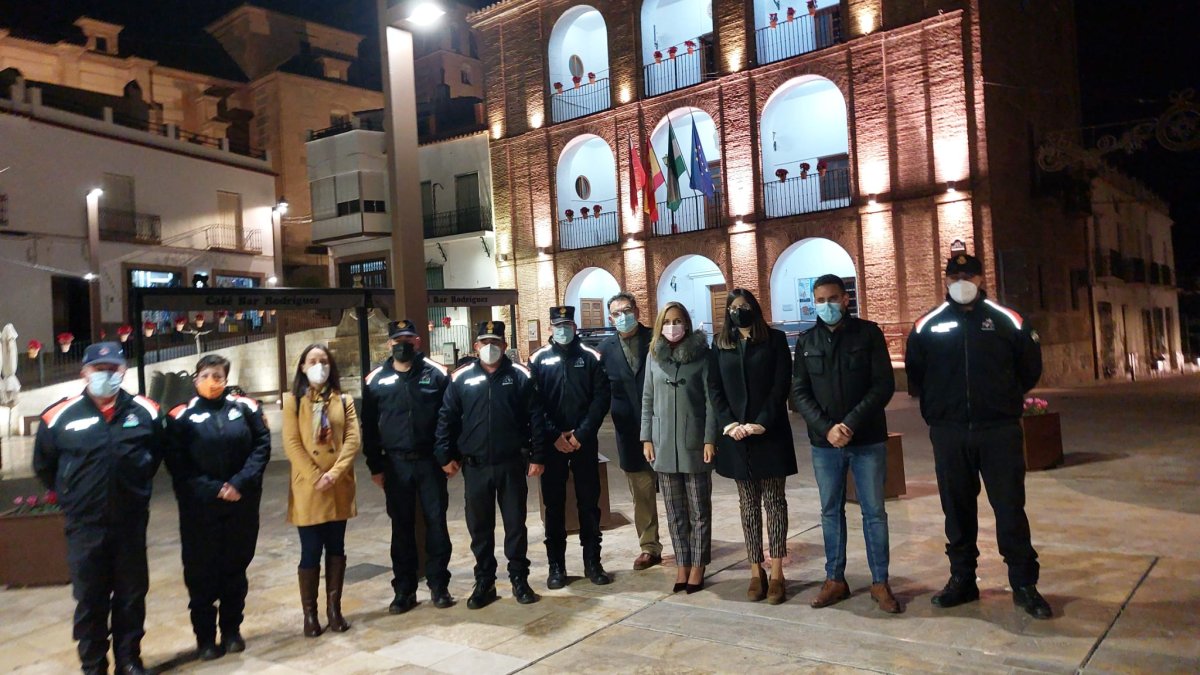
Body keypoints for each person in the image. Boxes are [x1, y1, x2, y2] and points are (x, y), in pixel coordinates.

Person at [905, 253, 1051, 619]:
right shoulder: (927, 325)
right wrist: (938, 412)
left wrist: (1002, 399)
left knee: (1009, 509)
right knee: (956, 510)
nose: (962, 280)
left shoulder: (1008, 320)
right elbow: (916, 374)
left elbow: (1029, 367)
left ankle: (1024, 584)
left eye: (969, 274)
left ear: (982, 278)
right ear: (945, 281)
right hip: (950, 433)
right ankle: (962, 580)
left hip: (998, 431)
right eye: (955, 275)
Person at [32, 342, 162, 675]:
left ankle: (129, 659)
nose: (107, 375)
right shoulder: (59, 415)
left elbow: (155, 455)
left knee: (131, 596)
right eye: (99, 369)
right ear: (85, 373)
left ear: (123, 371)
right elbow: (44, 465)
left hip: (130, 523)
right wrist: (72, 495)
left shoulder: (145, 410)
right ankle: (93, 665)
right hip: (85, 526)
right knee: (90, 600)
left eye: (113, 369)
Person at [790, 275, 901, 613]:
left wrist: (849, 424)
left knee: (874, 513)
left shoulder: (868, 334)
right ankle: (834, 579)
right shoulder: (806, 341)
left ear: (846, 299)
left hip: (866, 439)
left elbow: (882, 385)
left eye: (833, 298)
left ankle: (880, 581)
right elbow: (799, 392)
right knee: (830, 512)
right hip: (825, 446)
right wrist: (827, 429)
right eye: (820, 300)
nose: (827, 305)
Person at [164, 354, 272, 659]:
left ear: (226, 379)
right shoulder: (180, 415)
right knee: (201, 574)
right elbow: (177, 463)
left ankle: (232, 630)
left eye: (219, 376)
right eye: (207, 375)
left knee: (235, 569)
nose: (213, 381)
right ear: (196, 378)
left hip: (241, 505)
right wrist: (214, 489)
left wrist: (239, 483)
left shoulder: (244, 408)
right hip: (200, 510)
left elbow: (262, 445)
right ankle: (205, 639)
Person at [435, 320, 547, 609]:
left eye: (496, 342)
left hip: (511, 465)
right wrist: (444, 456)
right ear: (475, 346)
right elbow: (447, 418)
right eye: (485, 342)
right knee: (480, 528)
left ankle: (519, 579)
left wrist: (538, 456)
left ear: (505, 346)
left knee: (515, 526)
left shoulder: (520, 376)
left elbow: (535, 418)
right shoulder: (460, 379)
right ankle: (484, 581)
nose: (490, 347)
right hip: (475, 467)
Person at [709, 288, 797, 605]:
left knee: (774, 503)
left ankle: (776, 572)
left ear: (755, 309)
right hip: (737, 438)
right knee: (748, 505)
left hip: (769, 434)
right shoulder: (720, 345)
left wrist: (763, 420)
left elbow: (780, 384)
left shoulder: (773, 340)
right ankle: (754, 570)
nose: (739, 311)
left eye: (744, 306)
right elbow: (714, 389)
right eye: (733, 307)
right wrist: (730, 424)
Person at [361, 319, 454, 613]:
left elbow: (448, 418)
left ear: (418, 342)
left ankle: (439, 586)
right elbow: (369, 427)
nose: (404, 344)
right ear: (389, 344)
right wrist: (375, 465)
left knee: (436, 524)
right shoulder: (376, 380)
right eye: (398, 339)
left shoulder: (437, 374)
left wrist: (448, 455)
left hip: (430, 463)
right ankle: (404, 590)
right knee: (401, 528)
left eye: (409, 339)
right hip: (395, 465)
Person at [528, 305, 613, 588]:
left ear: (574, 326)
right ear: (550, 328)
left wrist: (581, 434)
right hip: (553, 447)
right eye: (558, 325)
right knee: (554, 507)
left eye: (567, 324)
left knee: (589, 504)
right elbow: (534, 403)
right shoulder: (538, 359)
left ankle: (593, 562)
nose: (563, 329)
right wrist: (554, 435)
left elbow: (601, 399)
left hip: (583, 443)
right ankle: (557, 566)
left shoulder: (591, 357)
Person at [281, 343, 361, 636]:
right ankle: (310, 614)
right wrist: (317, 476)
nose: (319, 366)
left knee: (337, 548)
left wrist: (334, 474)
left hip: (338, 486)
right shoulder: (292, 402)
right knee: (310, 550)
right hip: (309, 488)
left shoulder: (344, 400)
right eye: (313, 361)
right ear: (302, 366)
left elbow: (352, 439)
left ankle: (334, 610)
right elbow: (291, 443)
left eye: (324, 361)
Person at [640, 302, 716, 593]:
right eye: (668, 321)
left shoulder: (702, 356)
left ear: (687, 323)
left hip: (694, 441)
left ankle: (698, 565)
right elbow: (647, 398)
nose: (673, 326)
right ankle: (682, 563)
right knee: (674, 511)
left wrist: (710, 439)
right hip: (662, 443)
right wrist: (646, 436)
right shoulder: (654, 356)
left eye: (678, 320)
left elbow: (711, 402)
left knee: (699, 511)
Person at [597, 292, 664, 571]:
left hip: (664, 426)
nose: (622, 316)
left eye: (626, 310)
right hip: (629, 433)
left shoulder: (656, 339)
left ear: (636, 310)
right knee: (642, 491)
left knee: (679, 489)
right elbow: (600, 391)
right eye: (616, 313)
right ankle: (649, 546)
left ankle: (690, 544)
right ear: (610, 318)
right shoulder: (606, 349)